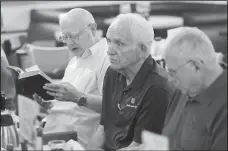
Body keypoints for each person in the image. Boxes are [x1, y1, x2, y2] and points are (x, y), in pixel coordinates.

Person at [87, 13, 174, 150]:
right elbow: (103, 128)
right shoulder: (112, 73)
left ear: (142, 49)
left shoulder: (158, 88)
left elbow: (139, 147)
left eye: (119, 44)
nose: (109, 51)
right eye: (109, 41)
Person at [33, 8, 110, 147]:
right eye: (64, 37)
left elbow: (113, 109)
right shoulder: (74, 61)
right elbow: (69, 105)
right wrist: (49, 106)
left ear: (92, 29)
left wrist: (78, 97)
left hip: (75, 142)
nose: (69, 43)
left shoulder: (107, 59)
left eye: (73, 36)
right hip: (52, 135)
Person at [162, 27, 227, 150]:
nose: (170, 79)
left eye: (173, 72)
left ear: (196, 66)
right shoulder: (183, 91)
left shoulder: (223, 108)